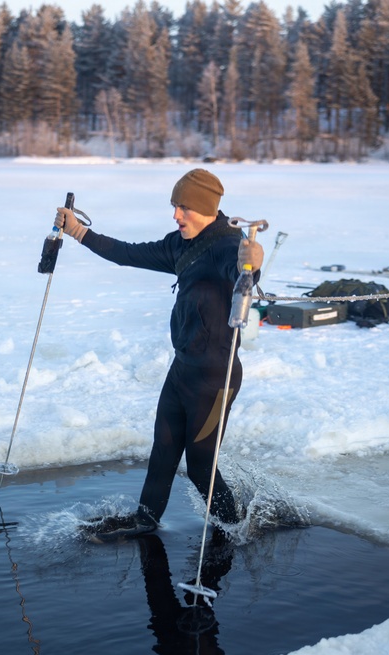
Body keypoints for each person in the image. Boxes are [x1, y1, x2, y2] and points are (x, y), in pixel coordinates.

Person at [55, 168, 263, 538]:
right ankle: (145, 519)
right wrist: (78, 231)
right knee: (163, 452)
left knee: (200, 467)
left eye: (184, 208)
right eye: (174, 206)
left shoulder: (226, 246)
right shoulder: (181, 244)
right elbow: (127, 253)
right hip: (183, 369)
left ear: (205, 208)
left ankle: (236, 530)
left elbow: (241, 275)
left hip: (215, 377)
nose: (176, 215)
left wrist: (252, 264)